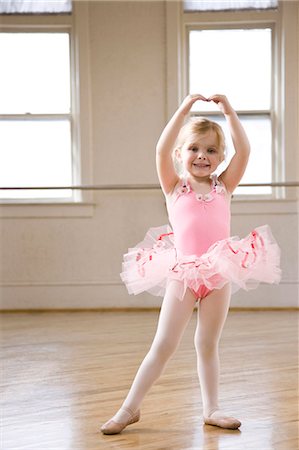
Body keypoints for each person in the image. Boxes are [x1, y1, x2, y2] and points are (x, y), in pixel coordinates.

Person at [100, 94, 281, 434]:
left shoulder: (224, 187)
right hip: (183, 274)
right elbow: (159, 149)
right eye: (194, 149)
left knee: (207, 343)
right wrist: (184, 109)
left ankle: (212, 408)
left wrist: (228, 110)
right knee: (164, 344)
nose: (202, 156)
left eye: (212, 150)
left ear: (220, 157)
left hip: (219, 273)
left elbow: (245, 151)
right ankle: (129, 408)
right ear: (180, 154)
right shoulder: (174, 186)